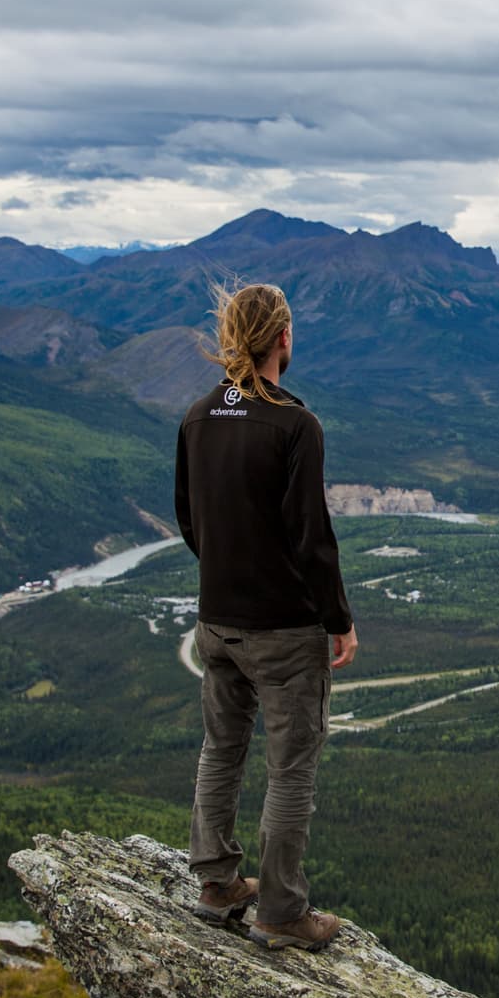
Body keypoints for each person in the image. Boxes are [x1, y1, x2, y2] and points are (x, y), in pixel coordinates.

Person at [174, 282, 360, 952]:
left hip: (215, 621)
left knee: (222, 747)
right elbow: (312, 538)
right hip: (283, 629)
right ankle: (281, 912)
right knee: (291, 767)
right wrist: (338, 618)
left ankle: (217, 882)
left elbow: (189, 518)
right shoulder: (294, 425)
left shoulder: (198, 415)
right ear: (283, 338)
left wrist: (226, 575)